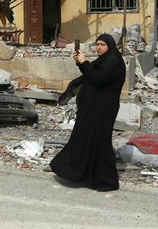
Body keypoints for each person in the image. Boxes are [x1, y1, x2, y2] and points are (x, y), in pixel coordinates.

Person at [50, 33, 126, 192]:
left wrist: (84, 62)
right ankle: (81, 175)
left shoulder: (114, 62)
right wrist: (81, 63)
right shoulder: (105, 60)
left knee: (100, 142)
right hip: (94, 109)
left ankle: (106, 181)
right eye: (97, 44)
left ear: (110, 46)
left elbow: (98, 78)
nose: (98, 47)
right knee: (86, 140)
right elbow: (92, 74)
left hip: (103, 110)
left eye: (102, 45)